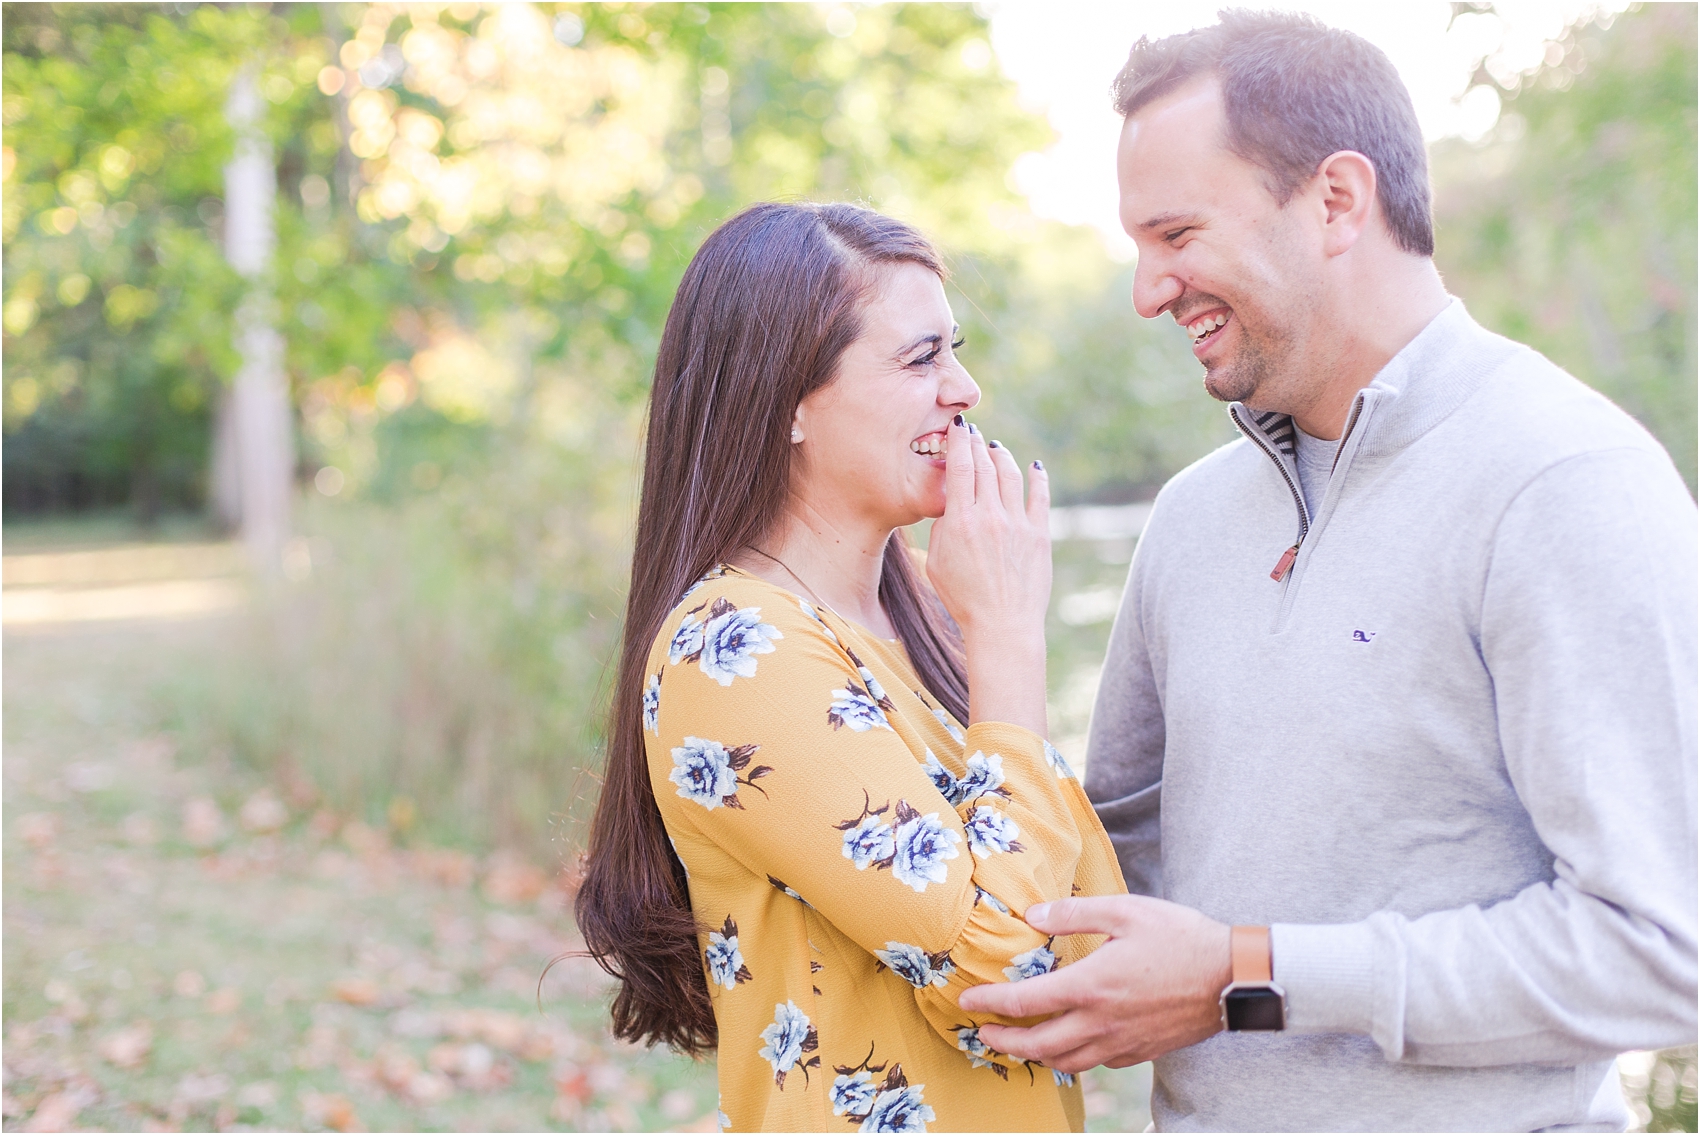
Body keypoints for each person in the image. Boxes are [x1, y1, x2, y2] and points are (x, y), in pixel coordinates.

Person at [959, 11, 1698, 1131]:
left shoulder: (1563, 482)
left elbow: (1656, 952)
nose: (1147, 291)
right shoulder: (1191, 520)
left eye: (1175, 234)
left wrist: (1247, 973)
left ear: (1336, 201)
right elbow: (1101, 876)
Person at [574, 201, 1126, 1132]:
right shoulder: (734, 649)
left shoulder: (921, 618)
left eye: (955, 349)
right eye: (922, 359)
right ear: (786, 398)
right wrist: (1007, 637)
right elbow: (1008, 976)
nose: (966, 389)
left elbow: (1093, 935)